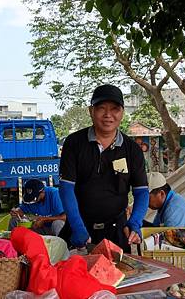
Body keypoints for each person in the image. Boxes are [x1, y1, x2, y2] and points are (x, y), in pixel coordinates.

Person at [58, 84, 149, 253]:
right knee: (74, 276)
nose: (108, 115)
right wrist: (78, 227)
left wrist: (135, 222)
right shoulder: (74, 143)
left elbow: (142, 191)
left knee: (119, 277)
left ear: (122, 112)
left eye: (114, 109)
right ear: (91, 111)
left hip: (117, 232)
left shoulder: (132, 149)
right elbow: (65, 189)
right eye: (101, 108)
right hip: (79, 231)